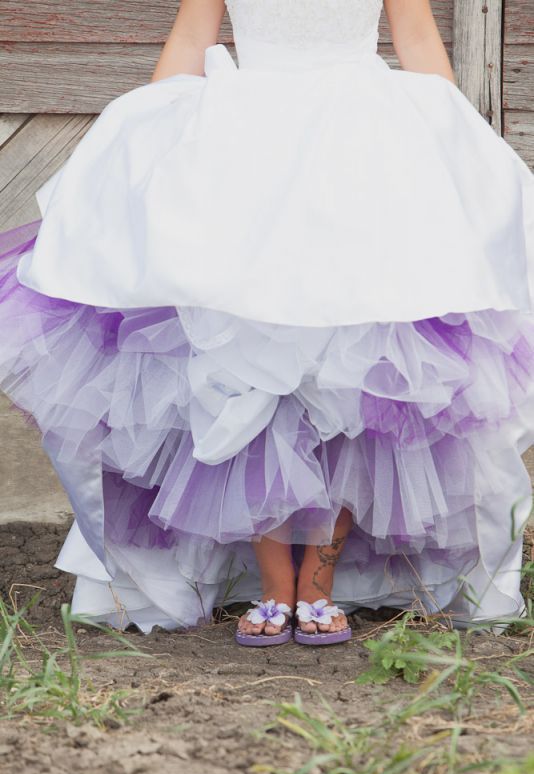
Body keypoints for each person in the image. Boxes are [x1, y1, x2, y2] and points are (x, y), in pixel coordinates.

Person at [0, 0, 533, 645]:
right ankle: (275, 584)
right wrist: (142, 140)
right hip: (240, 152)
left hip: (361, 152)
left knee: (350, 377)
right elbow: (192, 37)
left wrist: (456, 148)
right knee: (240, 376)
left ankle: (318, 584)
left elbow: (416, 37)